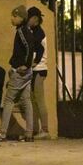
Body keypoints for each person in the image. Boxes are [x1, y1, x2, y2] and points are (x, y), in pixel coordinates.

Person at [0, 5, 35, 142]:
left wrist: (25, 65)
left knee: (8, 100)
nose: (12, 19)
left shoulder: (21, 31)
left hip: (20, 72)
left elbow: (29, 47)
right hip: (26, 73)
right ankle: (29, 133)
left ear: (21, 18)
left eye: (14, 16)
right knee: (26, 101)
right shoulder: (26, 30)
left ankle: (2, 132)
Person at [27, 7, 50, 140]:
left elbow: (39, 50)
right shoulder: (34, 31)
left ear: (35, 18)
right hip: (35, 69)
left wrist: (35, 62)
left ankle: (45, 129)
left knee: (39, 100)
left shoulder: (38, 32)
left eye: (29, 18)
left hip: (39, 70)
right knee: (33, 100)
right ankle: (37, 129)